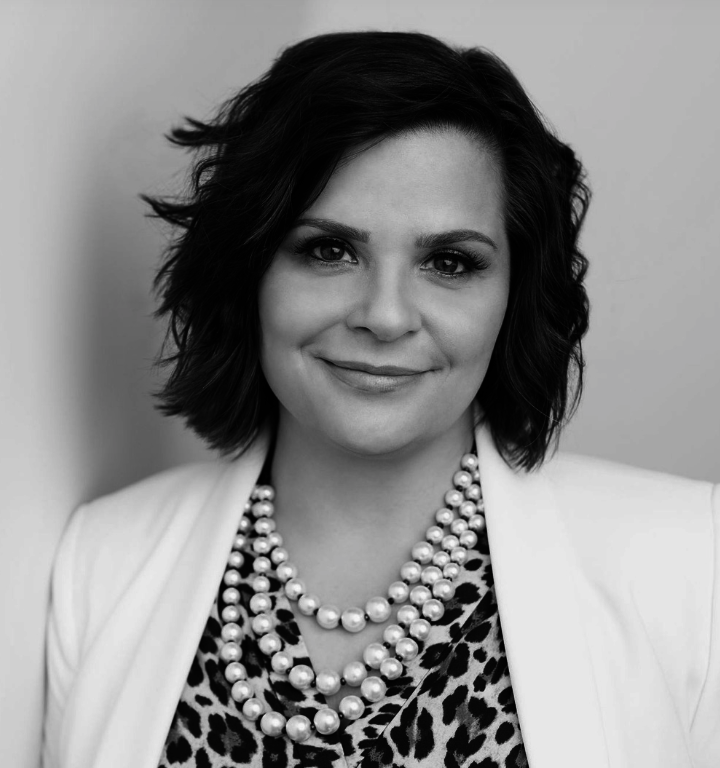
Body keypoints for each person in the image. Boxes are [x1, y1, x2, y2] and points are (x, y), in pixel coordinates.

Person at [42, 31, 719, 768]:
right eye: (329, 250)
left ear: (514, 297)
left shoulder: (688, 562)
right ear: (250, 272)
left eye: (450, 262)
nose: (385, 315)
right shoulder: (100, 563)